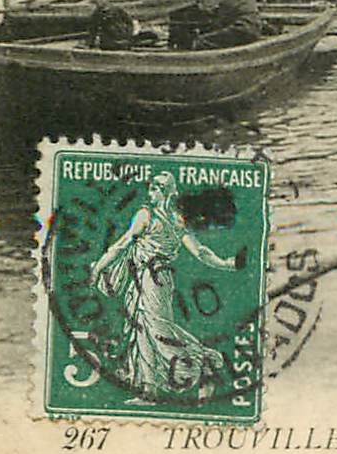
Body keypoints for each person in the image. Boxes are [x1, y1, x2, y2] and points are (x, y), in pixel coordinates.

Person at [88, 172, 243, 401]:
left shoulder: (150, 216)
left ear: (167, 192)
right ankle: (148, 390)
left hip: (153, 280)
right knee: (142, 330)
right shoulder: (170, 218)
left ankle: (206, 360)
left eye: (156, 188)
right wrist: (226, 264)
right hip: (145, 279)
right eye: (151, 187)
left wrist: (97, 268)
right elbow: (200, 252)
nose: (152, 192)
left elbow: (121, 245)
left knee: (158, 331)